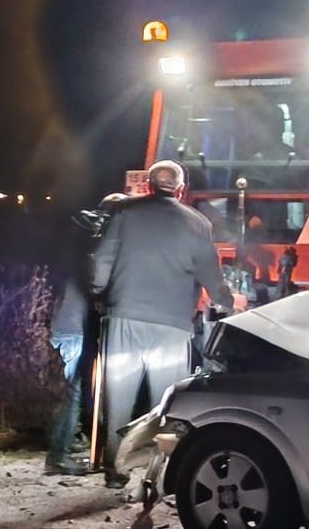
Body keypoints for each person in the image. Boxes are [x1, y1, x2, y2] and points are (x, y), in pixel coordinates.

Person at [89, 160, 228, 485]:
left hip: (123, 316)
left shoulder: (123, 214)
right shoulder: (198, 224)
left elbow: (102, 260)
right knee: (165, 404)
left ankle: (116, 470)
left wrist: (99, 292)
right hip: (172, 326)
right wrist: (227, 301)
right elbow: (212, 275)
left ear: (149, 185)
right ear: (181, 190)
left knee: (117, 397)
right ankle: (160, 473)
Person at [43, 208, 104, 474]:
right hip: (74, 330)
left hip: (68, 327)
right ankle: (59, 455)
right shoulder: (89, 257)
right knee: (76, 391)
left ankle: (75, 444)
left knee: (80, 390)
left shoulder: (74, 250)